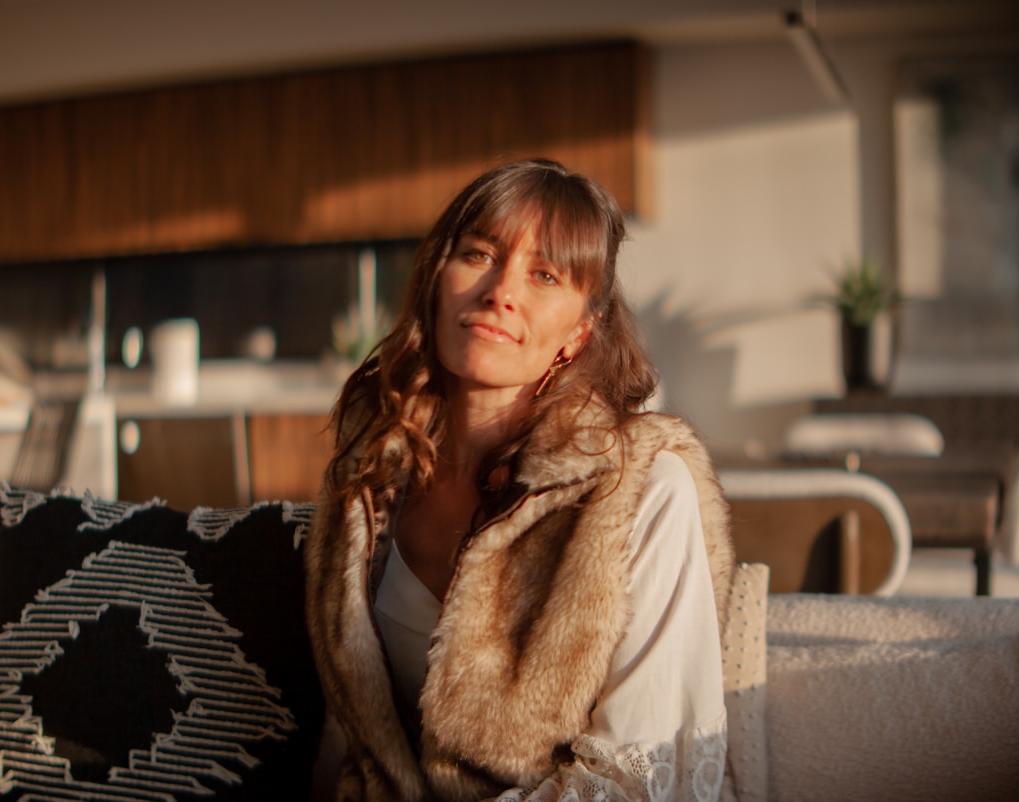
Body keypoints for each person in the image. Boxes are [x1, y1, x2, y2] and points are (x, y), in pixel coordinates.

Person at [305, 158, 735, 802]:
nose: (501, 290)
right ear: (436, 281)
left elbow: (641, 776)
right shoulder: (366, 483)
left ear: (576, 335)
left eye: (545, 275)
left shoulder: (639, 489)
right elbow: (349, 739)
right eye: (478, 254)